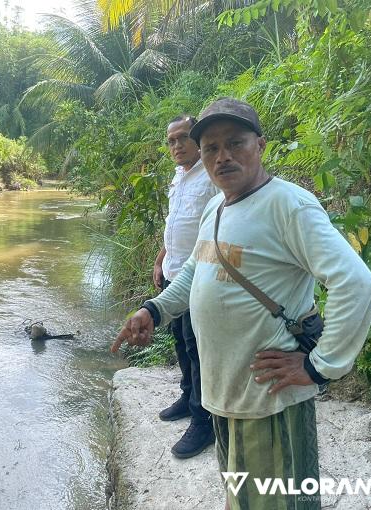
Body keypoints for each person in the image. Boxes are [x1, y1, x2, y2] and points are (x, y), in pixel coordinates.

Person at [111, 98, 371, 510]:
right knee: (243, 497)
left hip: (268, 398)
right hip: (226, 393)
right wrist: (154, 309)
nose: (223, 157)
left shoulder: (289, 205)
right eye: (211, 148)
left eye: (236, 143)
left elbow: (356, 282)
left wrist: (319, 366)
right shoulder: (216, 206)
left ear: (261, 146)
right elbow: (196, 272)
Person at [153, 114, 219, 459]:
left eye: (182, 138)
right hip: (172, 271)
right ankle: (187, 394)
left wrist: (203, 274)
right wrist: (161, 259)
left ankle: (203, 419)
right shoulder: (179, 176)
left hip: (197, 277)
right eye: (171, 141)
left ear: (197, 140)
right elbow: (175, 222)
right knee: (180, 339)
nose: (176, 146)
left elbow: (216, 229)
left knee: (197, 347)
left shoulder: (211, 177)